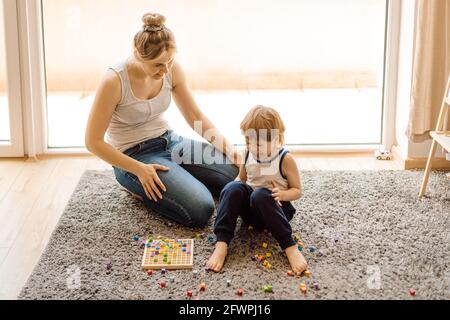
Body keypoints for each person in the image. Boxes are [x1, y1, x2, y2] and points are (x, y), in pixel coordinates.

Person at [85, 13, 240, 227]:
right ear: (138, 54)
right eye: (158, 64)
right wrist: (139, 169)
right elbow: (93, 142)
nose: (165, 69)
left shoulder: (171, 69)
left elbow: (195, 116)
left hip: (171, 142)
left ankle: (183, 180)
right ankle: (135, 185)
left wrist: (229, 148)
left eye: (170, 61)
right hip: (135, 156)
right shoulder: (114, 81)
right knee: (201, 209)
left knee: (236, 174)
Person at [207, 106, 308, 274]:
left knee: (261, 194)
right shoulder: (247, 154)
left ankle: (289, 246)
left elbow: (297, 190)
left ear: (276, 140)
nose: (253, 147)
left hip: (277, 210)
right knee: (233, 187)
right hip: (252, 212)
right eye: (248, 141)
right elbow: (242, 178)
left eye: (259, 144)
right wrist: (229, 192)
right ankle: (222, 243)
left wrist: (282, 194)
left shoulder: (285, 159)